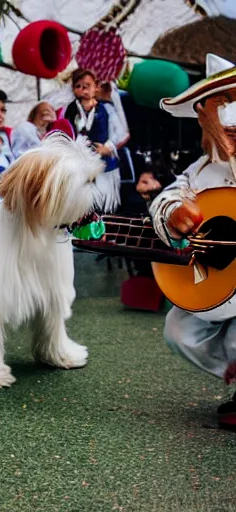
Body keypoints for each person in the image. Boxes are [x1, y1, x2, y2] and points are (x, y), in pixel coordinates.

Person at [149, 53, 236, 427]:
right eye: (224, 104)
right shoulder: (198, 171)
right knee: (178, 330)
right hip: (216, 281)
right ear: (204, 114)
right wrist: (171, 213)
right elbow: (168, 197)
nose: (232, 119)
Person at [64, 69, 121, 212]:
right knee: (81, 205)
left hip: (104, 163)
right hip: (79, 162)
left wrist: (108, 147)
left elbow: (119, 132)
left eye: (87, 85)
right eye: (78, 86)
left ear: (96, 86)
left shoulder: (107, 109)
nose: (83, 90)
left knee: (105, 205)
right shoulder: (70, 110)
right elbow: (67, 132)